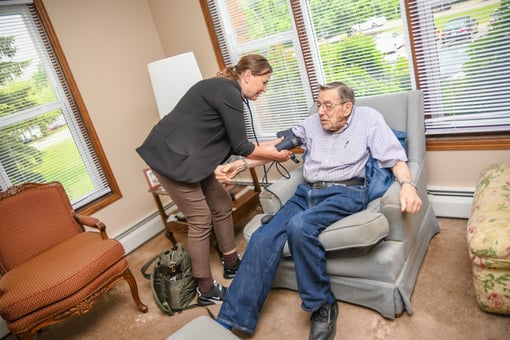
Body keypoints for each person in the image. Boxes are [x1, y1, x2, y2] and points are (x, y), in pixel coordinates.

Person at [214, 81, 423, 340]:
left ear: (347, 107)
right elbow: (279, 146)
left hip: (346, 192)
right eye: (319, 104)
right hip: (308, 192)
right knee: (262, 237)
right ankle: (230, 320)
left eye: (327, 105)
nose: (321, 111)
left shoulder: (368, 119)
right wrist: (241, 165)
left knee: (300, 226)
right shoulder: (312, 123)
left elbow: (396, 158)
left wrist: (408, 185)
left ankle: (322, 305)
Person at [136, 54, 291, 306]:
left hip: (191, 160)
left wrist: (274, 145)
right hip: (170, 159)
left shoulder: (227, 91)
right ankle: (205, 289)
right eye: (263, 82)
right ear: (248, 76)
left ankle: (230, 263)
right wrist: (275, 153)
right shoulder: (227, 91)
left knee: (220, 205)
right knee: (200, 218)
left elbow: (236, 143)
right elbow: (243, 146)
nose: (265, 89)